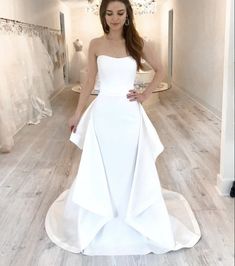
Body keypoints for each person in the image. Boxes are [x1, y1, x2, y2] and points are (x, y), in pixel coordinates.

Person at [45, 0, 201, 255]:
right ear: (103, 15)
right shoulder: (96, 44)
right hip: (103, 112)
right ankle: (101, 215)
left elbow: (161, 70)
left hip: (129, 114)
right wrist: (76, 112)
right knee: (104, 164)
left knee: (129, 163)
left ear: (127, 15)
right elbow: (89, 81)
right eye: (109, 13)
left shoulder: (138, 43)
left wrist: (145, 94)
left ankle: (133, 214)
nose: (115, 18)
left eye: (120, 13)